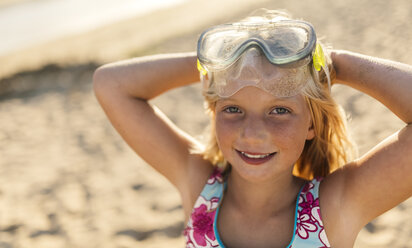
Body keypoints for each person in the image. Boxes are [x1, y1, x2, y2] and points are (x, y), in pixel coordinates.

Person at [93, 9, 412, 248]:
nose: (253, 133)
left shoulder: (336, 206)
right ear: (213, 111)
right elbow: (110, 84)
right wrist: (217, 65)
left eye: (279, 110)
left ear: (311, 124)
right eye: (233, 108)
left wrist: (337, 65)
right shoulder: (202, 188)